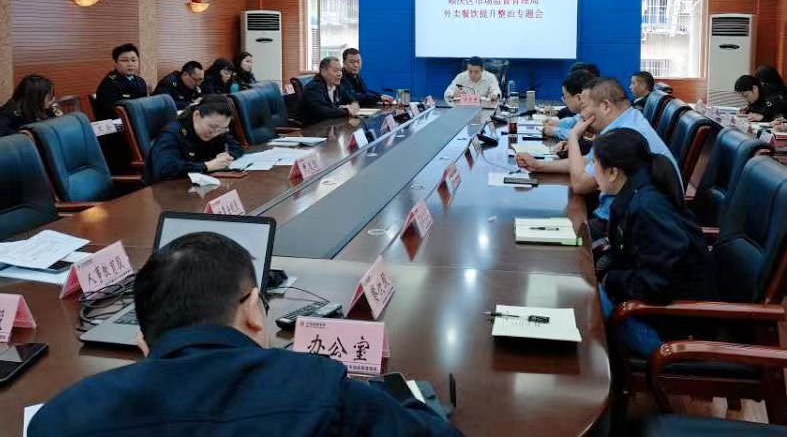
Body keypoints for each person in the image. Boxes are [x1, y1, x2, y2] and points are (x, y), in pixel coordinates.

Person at [29, 233, 460, 437]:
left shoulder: (61, 417)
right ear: (254, 309)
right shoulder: (322, 388)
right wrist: (394, 397)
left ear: (143, 342)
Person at [592, 128, 716, 357]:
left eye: (594, 164)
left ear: (612, 172)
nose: (593, 172)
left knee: (585, 300)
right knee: (583, 289)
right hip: (657, 313)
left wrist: (611, 279)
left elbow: (656, 284)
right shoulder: (639, 191)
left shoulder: (648, 208)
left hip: (670, 334)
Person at [517, 77, 679, 220]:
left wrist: (573, 137)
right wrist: (539, 165)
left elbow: (581, 184)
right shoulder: (628, 119)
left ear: (605, 106)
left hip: (626, 229)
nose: (581, 116)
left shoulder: (624, 134)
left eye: (584, 107)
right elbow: (587, 162)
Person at [145, 94, 243, 184]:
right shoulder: (172, 134)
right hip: (166, 190)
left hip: (199, 187)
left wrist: (226, 156)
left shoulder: (218, 129)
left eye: (223, 128)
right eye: (212, 127)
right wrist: (207, 166)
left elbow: (236, 147)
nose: (215, 133)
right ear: (197, 115)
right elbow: (165, 169)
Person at [94, 43, 149, 120]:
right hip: (116, 124)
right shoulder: (109, 84)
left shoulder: (140, 81)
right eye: (125, 60)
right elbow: (113, 113)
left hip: (137, 120)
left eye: (133, 60)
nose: (130, 64)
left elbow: (144, 106)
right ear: (115, 63)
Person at [298, 57, 359, 125]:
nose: (339, 74)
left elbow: (352, 100)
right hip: (313, 128)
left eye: (340, 70)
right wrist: (347, 110)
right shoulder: (313, 88)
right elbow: (324, 112)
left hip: (332, 125)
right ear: (323, 72)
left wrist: (353, 106)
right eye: (335, 71)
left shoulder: (337, 86)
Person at [543, 70, 596, 141]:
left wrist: (554, 131)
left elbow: (580, 136)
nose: (564, 100)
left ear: (579, 98)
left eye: (564, 96)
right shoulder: (584, 113)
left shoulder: (593, 116)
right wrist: (558, 124)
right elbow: (574, 121)